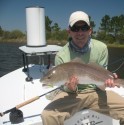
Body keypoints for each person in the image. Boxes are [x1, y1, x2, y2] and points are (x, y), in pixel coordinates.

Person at [41, 11, 124, 125]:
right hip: (72, 95)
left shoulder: (102, 48)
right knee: (48, 115)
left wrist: (109, 80)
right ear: (69, 31)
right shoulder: (61, 55)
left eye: (84, 28)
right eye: (75, 28)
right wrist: (71, 88)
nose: (80, 32)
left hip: (97, 91)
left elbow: (102, 76)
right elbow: (65, 88)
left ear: (90, 30)